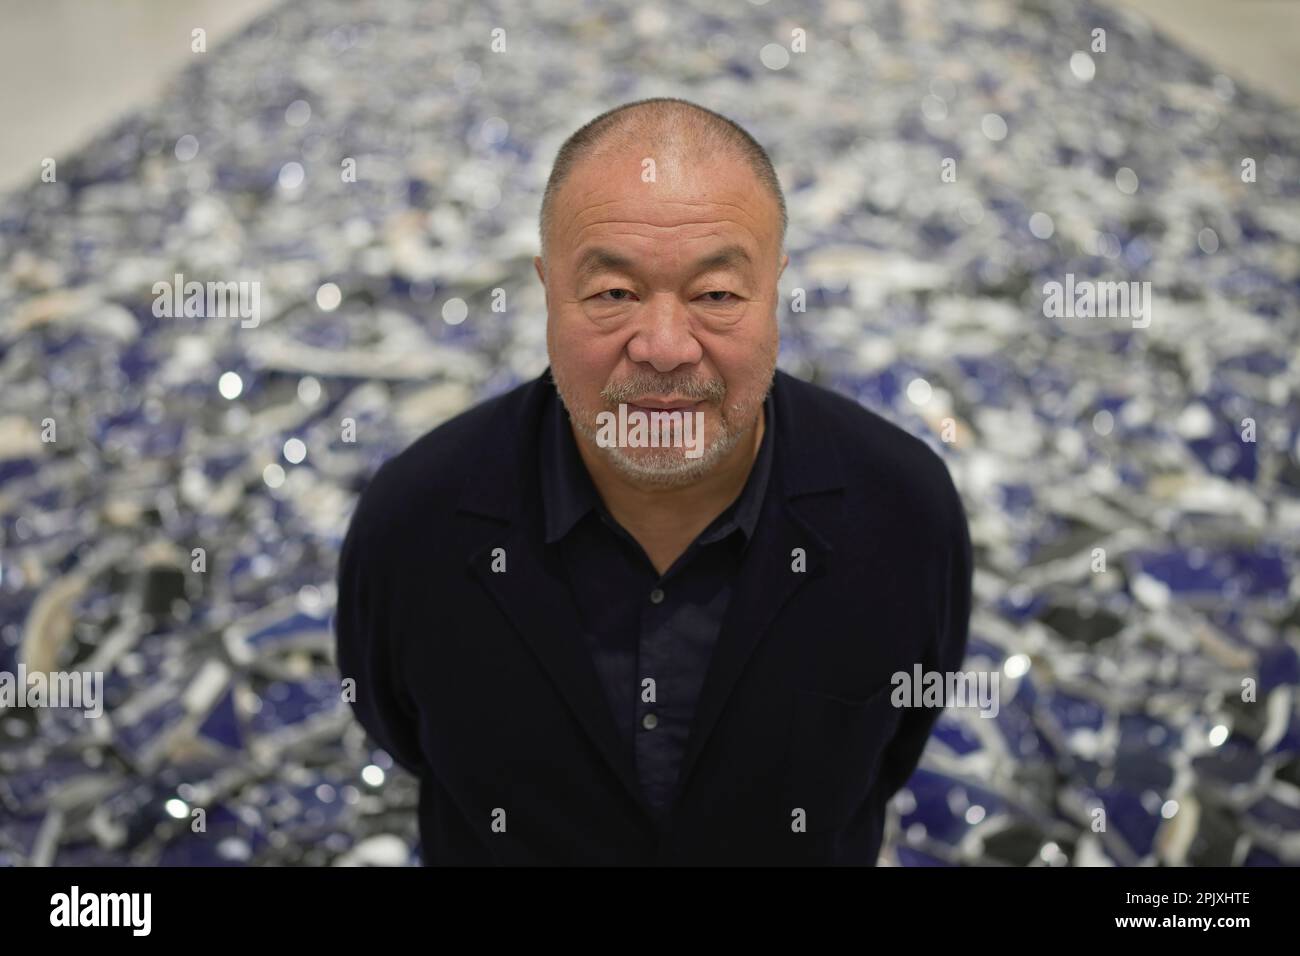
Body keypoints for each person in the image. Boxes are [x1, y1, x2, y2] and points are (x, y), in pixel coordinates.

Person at [335, 97, 972, 865]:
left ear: (776, 290)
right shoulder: (414, 523)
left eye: (716, 296)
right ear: (546, 290)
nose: (665, 348)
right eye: (613, 295)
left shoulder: (902, 511)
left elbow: (893, 746)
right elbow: (399, 728)